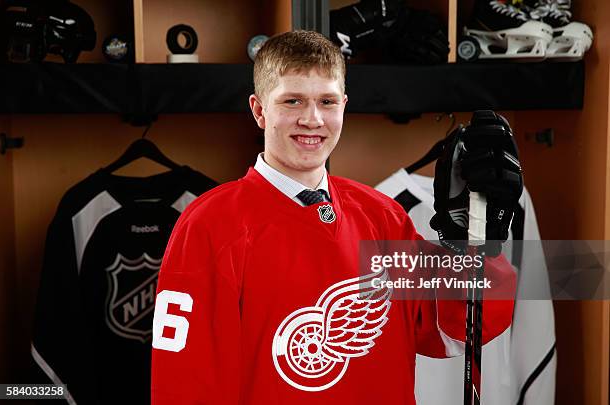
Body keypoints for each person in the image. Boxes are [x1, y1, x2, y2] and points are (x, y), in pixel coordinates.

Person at [151, 30, 519, 404]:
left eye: (326, 101)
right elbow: (186, 383)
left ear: (343, 105)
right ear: (259, 110)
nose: (312, 119)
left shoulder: (383, 217)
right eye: (292, 101)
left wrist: (478, 244)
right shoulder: (210, 224)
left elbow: (457, 326)